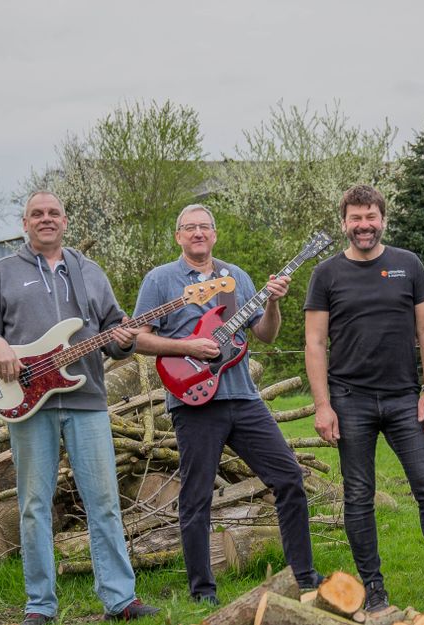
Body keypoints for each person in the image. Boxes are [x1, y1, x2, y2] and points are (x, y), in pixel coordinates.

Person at [0, 191, 159, 625]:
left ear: (65, 222)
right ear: (25, 222)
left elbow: (113, 330)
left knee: (104, 501)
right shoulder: (2, 274)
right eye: (38, 214)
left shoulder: (89, 272)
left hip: (86, 399)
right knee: (35, 504)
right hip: (28, 403)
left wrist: (123, 340)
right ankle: (40, 605)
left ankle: (120, 600)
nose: (46, 219)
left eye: (53, 213)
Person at [131, 204, 320, 604]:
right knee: (196, 497)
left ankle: (303, 578)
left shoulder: (237, 277)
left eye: (205, 227)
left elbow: (265, 335)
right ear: (178, 236)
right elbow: (137, 338)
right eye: (190, 227)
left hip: (244, 398)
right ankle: (203, 592)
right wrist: (186, 346)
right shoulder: (160, 280)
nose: (198, 233)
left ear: (215, 234)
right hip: (195, 401)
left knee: (288, 478)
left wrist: (272, 302)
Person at [305, 184, 424, 612]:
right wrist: (323, 405)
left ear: (383, 218)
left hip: (405, 399)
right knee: (359, 495)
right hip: (349, 399)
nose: (364, 225)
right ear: (344, 222)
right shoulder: (326, 274)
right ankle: (373, 592)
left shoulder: (408, 265)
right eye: (355, 218)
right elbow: (314, 342)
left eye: (371, 217)